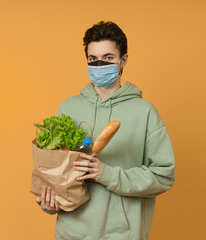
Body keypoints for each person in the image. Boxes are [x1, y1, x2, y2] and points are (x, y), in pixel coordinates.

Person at [36, 21, 175, 240]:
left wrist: (106, 174)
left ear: (123, 60)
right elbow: (57, 172)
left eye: (108, 58)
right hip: (71, 233)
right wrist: (49, 201)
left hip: (121, 234)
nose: (99, 64)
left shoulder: (144, 112)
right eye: (93, 59)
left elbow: (163, 175)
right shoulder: (68, 108)